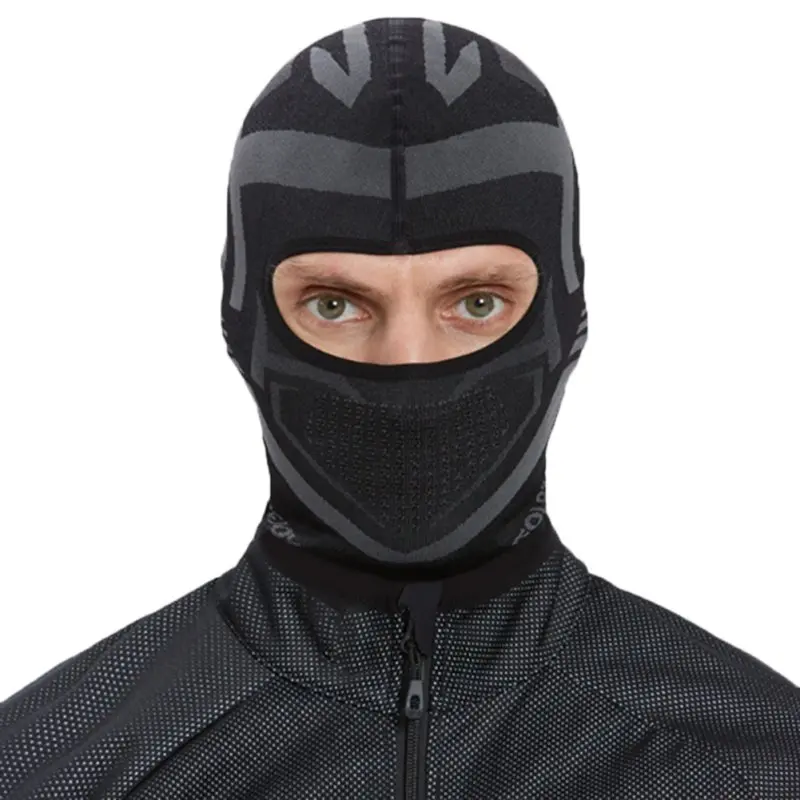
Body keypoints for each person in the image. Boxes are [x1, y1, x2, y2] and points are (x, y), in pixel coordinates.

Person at [1, 15, 798, 799]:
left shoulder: (763, 768)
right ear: (242, 322)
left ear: (566, 317)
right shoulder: (47, 768)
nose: (408, 365)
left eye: (478, 303)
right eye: (335, 305)